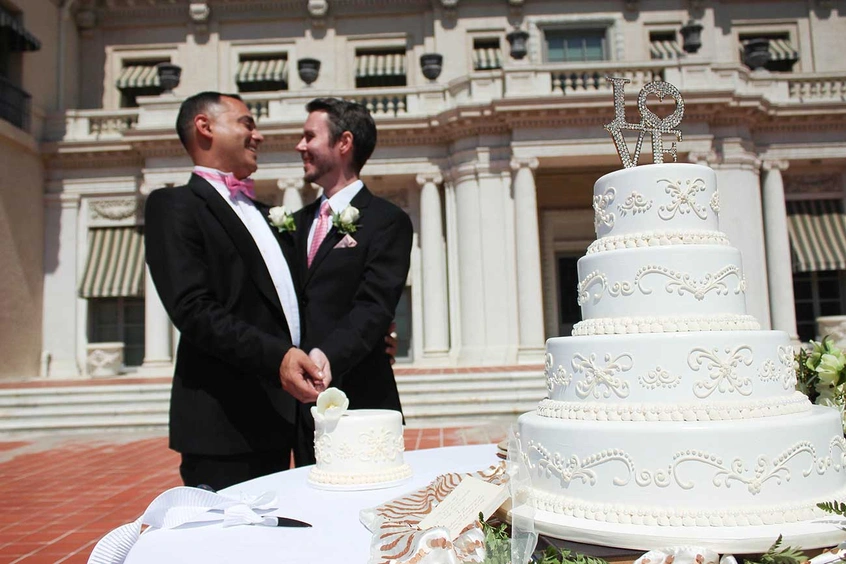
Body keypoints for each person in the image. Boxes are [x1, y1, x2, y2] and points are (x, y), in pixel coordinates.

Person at [144, 92, 327, 491]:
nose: (258, 135)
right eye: (247, 122)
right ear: (205, 127)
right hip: (224, 427)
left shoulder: (264, 213)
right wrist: (277, 358)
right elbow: (193, 310)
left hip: (285, 422)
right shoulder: (173, 206)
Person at [292, 98, 413, 464]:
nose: (300, 146)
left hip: (362, 399)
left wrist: (325, 355)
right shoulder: (294, 223)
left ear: (343, 143)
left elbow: (375, 306)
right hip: (298, 405)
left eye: (309, 136)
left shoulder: (387, 221)